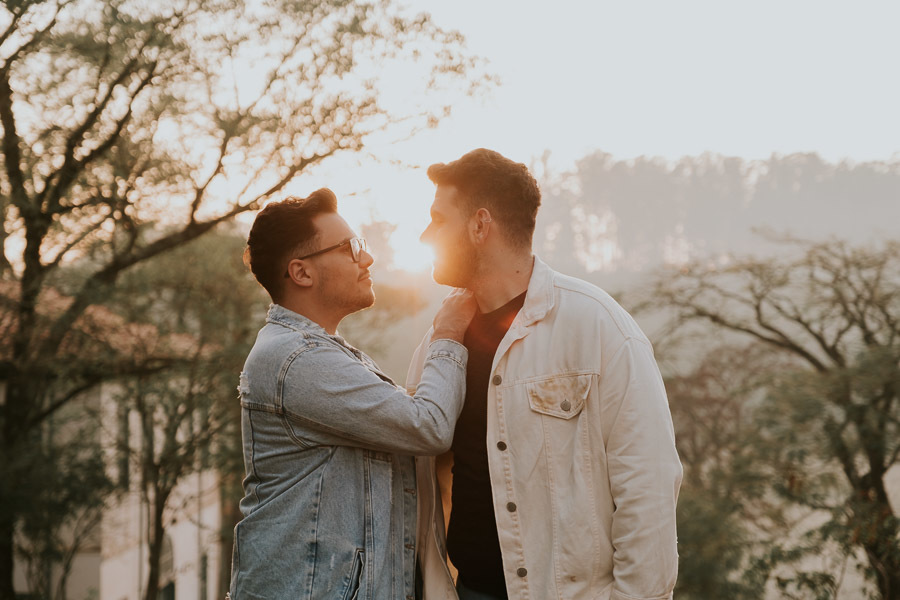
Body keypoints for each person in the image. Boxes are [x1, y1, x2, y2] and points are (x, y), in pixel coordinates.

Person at [407, 150, 683, 600]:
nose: (425, 235)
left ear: (480, 226)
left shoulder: (600, 329)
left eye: (438, 220)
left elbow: (647, 488)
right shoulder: (440, 342)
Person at [229, 188, 476, 599]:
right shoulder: (297, 359)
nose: (368, 257)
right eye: (350, 248)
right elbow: (427, 426)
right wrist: (449, 334)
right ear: (301, 273)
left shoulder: (323, 351)